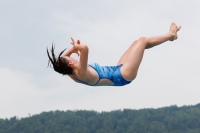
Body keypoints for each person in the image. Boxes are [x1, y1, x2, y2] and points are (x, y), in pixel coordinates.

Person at [47, 22, 181, 86]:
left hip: (119, 70)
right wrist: (77, 47)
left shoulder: (71, 73)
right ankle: (170, 35)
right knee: (142, 40)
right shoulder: (80, 71)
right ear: (71, 62)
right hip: (123, 74)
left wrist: (72, 51)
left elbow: (63, 63)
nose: (70, 54)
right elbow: (85, 48)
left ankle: (170, 37)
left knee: (137, 43)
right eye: (70, 56)